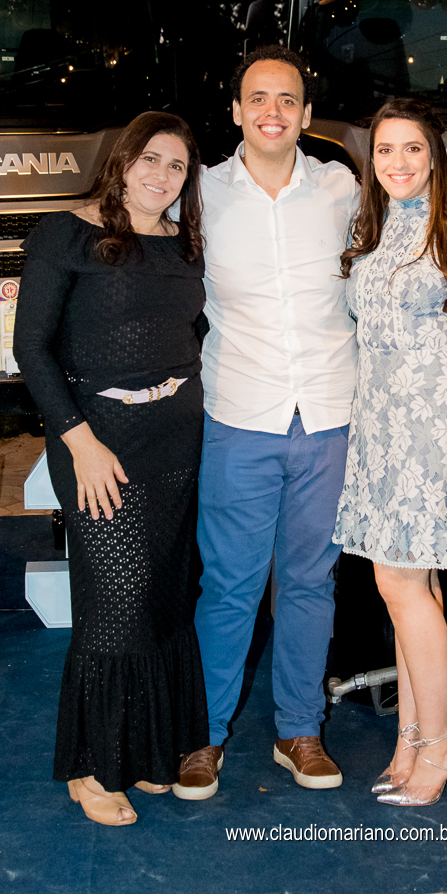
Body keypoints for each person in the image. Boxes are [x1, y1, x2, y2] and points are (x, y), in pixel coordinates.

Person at [14, 112, 209, 827]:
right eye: (149, 159)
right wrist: (80, 441)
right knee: (114, 603)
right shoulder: (65, 234)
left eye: (177, 166)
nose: (162, 175)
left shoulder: (183, 243)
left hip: (176, 436)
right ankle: (92, 768)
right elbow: (31, 348)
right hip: (100, 441)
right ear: (122, 159)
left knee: (163, 596)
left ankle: (145, 752)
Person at [179, 46, 358, 801]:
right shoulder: (199, 193)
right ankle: (204, 735)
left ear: (307, 114)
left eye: (287, 99)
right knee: (229, 585)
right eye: (258, 98)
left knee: (311, 583)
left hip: (330, 416)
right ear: (235, 112)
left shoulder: (343, 188)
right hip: (239, 414)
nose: (272, 112)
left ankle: (299, 730)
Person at [335, 98, 447, 807]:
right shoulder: (368, 231)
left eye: (412, 148)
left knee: (401, 585)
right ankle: (411, 737)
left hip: (435, 429)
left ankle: (441, 739)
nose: (397, 162)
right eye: (385, 149)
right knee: (413, 589)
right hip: (378, 427)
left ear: (435, 155)